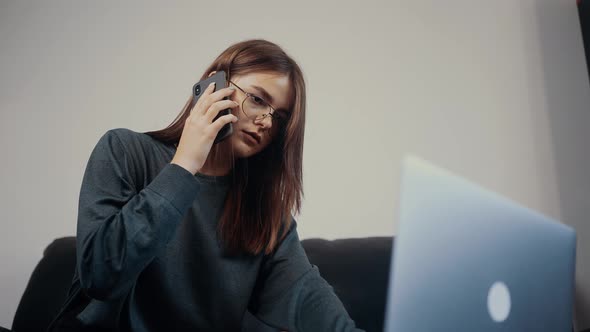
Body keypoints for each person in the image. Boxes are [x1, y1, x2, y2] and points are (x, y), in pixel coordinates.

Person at [48, 39, 363, 332]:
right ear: (214, 86)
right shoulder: (125, 151)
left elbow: (307, 298)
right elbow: (101, 275)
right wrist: (185, 165)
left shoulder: (267, 213)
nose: (267, 122)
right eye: (257, 100)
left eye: (279, 117)